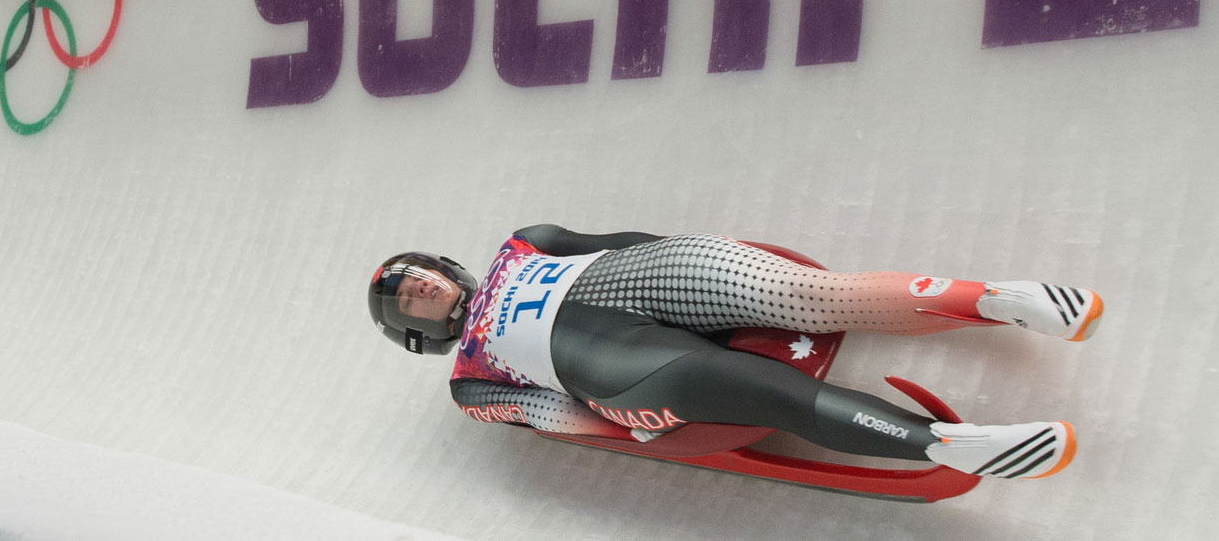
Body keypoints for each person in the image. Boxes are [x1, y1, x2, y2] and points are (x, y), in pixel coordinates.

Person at [368, 225, 1103, 479]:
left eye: (423, 277)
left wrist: (706, 257)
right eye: (412, 299)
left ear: (445, 266)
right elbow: (551, 415)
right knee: (758, 389)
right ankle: (950, 444)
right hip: (615, 364)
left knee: (815, 295)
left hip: (653, 281)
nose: (426, 290)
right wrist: (628, 428)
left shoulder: (524, 241)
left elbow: (623, 243)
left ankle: (995, 300)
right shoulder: (469, 384)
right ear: (415, 331)